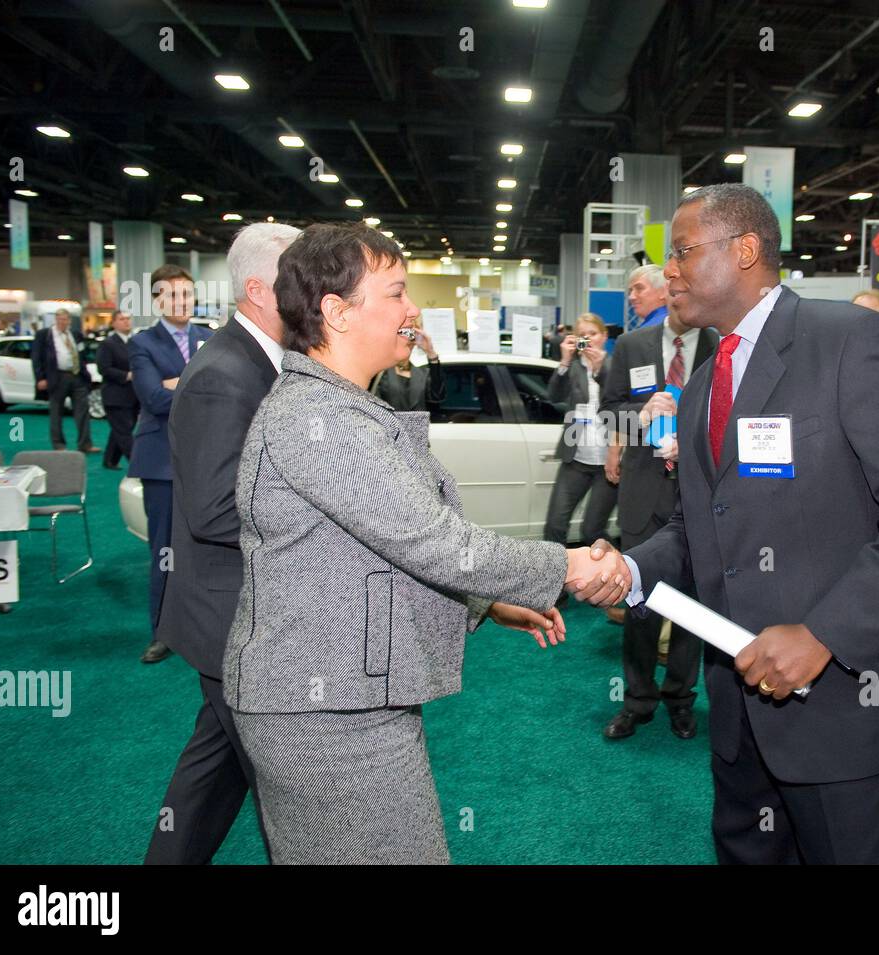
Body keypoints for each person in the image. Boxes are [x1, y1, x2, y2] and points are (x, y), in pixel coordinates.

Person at [594, 184, 879, 864]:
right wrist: (630, 569)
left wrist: (828, 632)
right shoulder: (709, 375)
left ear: (744, 250)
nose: (668, 272)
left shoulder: (848, 339)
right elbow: (699, 526)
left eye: (682, 252)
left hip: (844, 712)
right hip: (741, 717)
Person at [222, 223, 626, 864]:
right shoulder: (317, 418)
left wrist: (483, 605)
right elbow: (432, 541)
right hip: (325, 711)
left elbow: (377, 555)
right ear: (337, 312)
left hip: (347, 697)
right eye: (397, 294)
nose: (413, 311)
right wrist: (569, 563)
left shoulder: (341, 406)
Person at [144, 224, 300, 864]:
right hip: (229, 615)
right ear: (260, 289)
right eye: (299, 276)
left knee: (214, 773)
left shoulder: (254, 359)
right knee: (289, 793)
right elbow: (212, 510)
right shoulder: (225, 372)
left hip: (233, 617)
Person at [599, 302, 718, 740]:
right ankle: (638, 701)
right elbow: (609, 410)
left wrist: (696, 440)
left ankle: (680, 699)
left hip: (699, 490)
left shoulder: (720, 343)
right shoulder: (632, 345)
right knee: (639, 601)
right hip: (644, 491)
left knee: (690, 603)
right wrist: (640, 416)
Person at [128, 266, 212, 665]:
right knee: (165, 549)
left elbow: (222, 393)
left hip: (205, 461)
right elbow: (152, 398)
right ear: (157, 300)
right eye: (173, 296)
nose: (182, 303)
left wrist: (175, 382)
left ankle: (201, 625)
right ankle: (162, 632)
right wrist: (192, 384)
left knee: (206, 545)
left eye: (187, 295)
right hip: (160, 462)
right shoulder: (142, 342)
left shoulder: (210, 338)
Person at [542, 314, 617, 555]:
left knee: (592, 530)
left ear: (604, 337)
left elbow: (624, 405)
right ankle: (555, 588)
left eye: (593, 334)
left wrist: (600, 368)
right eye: (582, 336)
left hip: (609, 461)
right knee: (554, 524)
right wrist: (564, 360)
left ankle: (608, 578)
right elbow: (553, 396)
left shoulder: (618, 366)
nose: (588, 340)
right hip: (576, 457)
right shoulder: (572, 368)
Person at [31, 309, 99, 453]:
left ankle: (85, 444)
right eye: (60, 319)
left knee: (83, 412)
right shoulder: (45, 335)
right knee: (56, 413)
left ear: (69, 320)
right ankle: (59, 445)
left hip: (77, 376)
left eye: (66, 319)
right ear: (56, 320)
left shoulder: (75, 334)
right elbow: (36, 358)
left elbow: (82, 354)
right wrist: (40, 378)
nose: (63, 322)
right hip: (56, 378)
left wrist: (85, 372)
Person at [371, 319, 445, 411]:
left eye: (412, 335)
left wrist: (430, 352)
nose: (407, 339)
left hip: (417, 424)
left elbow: (437, 396)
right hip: (385, 424)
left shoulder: (423, 373)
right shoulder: (380, 371)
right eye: (403, 333)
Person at [95, 310, 138, 470]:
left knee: (120, 430)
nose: (126, 322)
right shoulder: (108, 344)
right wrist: (127, 375)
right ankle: (138, 464)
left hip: (132, 395)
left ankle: (110, 460)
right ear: (114, 323)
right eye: (122, 319)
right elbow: (104, 368)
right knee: (125, 432)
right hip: (115, 395)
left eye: (128, 319)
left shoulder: (134, 342)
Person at [628, 263, 668, 328]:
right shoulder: (675, 322)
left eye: (639, 288)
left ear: (663, 292)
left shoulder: (652, 329)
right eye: (630, 291)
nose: (631, 297)